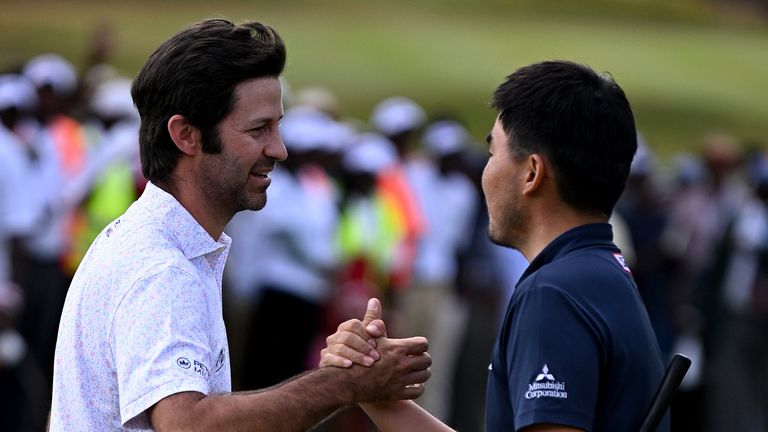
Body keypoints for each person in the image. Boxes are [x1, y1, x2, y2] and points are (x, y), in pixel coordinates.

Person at [49, 18, 431, 431]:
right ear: (186, 135)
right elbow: (187, 423)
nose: (279, 149)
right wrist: (346, 384)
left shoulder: (152, 244)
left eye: (278, 125)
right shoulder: (162, 267)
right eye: (258, 128)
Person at [322, 60, 669, 432]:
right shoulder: (600, 273)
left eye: (493, 154)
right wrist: (382, 401)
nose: (485, 173)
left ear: (532, 173)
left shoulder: (552, 293)